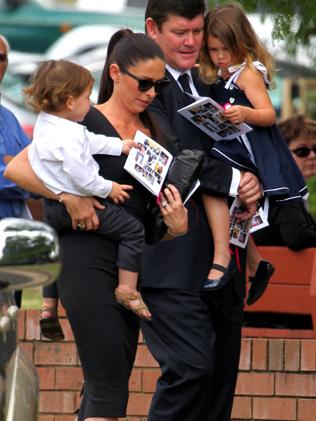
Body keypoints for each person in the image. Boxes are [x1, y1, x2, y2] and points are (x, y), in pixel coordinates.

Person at [5, 29, 188, 421]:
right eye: (145, 83)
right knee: (107, 384)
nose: (153, 92)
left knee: (110, 382)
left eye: (160, 84)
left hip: (134, 264)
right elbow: (18, 168)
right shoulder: (79, 117)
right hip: (86, 258)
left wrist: (175, 226)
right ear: (117, 73)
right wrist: (66, 196)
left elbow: (151, 210)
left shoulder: (159, 130)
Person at [142, 1, 262, 420]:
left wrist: (258, 179)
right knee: (190, 372)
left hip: (229, 258)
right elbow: (175, 154)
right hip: (171, 265)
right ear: (152, 28)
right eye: (181, 32)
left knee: (219, 387)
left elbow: (253, 138)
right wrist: (236, 181)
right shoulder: (145, 88)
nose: (193, 42)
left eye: (197, 31)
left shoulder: (218, 78)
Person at [25, 59, 153, 324]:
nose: (91, 102)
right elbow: (83, 177)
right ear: (70, 101)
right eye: (87, 97)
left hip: (53, 209)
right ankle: (127, 288)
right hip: (78, 204)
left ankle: (48, 305)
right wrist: (109, 189)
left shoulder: (48, 124)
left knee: (55, 247)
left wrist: (120, 146)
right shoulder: (68, 138)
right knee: (132, 230)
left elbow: (90, 141)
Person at [198, 2, 308, 303]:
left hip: (248, 148)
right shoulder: (219, 73)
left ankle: (244, 261)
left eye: (225, 49)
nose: (219, 57)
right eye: (213, 50)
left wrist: (245, 113)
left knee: (216, 182)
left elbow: (268, 114)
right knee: (237, 204)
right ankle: (255, 261)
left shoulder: (247, 73)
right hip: (231, 142)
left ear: (241, 43)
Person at [0, 34, 32, 307]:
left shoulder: (9, 117)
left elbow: (37, 165)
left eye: (1, 58)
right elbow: (25, 174)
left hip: (13, 242)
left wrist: (15, 169)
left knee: (9, 329)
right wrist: (15, 171)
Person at [254, 114, 316, 248]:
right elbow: (297, 236)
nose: (312, 156)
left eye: (315, 149)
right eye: (302, 151)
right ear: (282, 154)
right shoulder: (283, 190)